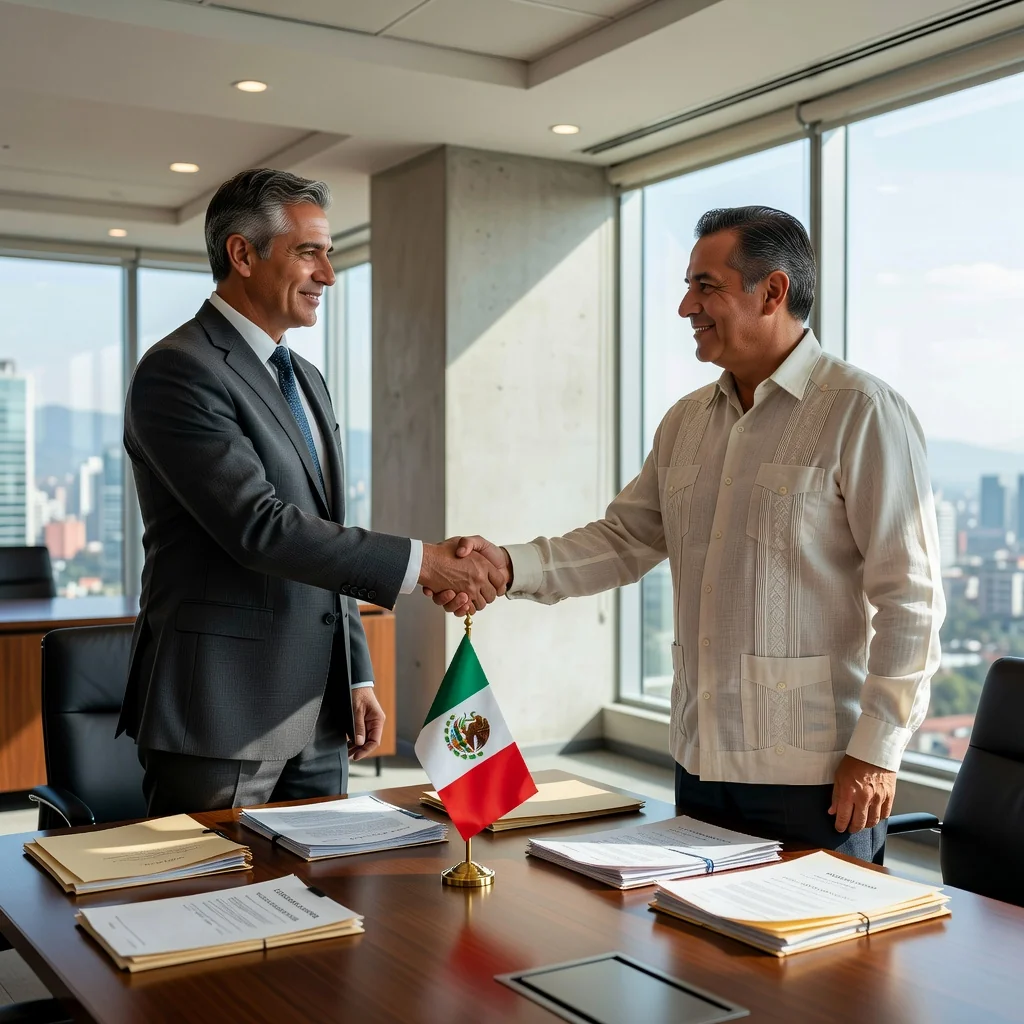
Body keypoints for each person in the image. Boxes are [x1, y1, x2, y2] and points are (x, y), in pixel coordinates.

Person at [428, 206, 944, 862]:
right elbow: (623, 539)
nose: (685, 307)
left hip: (816, 777)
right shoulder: (686, 421)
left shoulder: (862, 411)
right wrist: (505, 565)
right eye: (687, 286)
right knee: (690, 932)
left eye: (706, 287)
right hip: (699, 763)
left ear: (773, 291)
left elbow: (911, 598)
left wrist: (876, 752)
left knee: (816, 936)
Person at [118, 168, 506, 814]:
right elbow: (260, 528)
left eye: (329, 253)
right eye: (309, 253)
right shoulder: (179, 370)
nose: (328, 274)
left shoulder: (306, 378)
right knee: (214, 881)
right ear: (243, 254)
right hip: (223, 713)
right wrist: (426, 563)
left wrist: (355, 671)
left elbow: (323, 529)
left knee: (328, 877)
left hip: (323, 713)